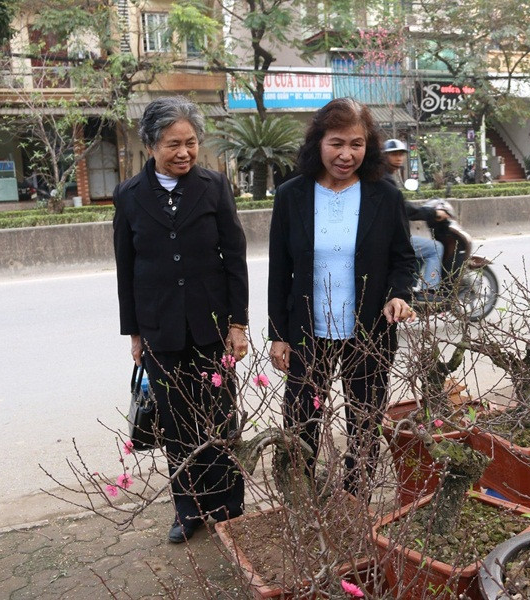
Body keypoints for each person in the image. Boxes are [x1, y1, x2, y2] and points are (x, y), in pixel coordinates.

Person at [113, 96, 248, 543]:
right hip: (159, 328)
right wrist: (134, 333)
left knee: (220, 417)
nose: (184, 152)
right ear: (152, 144)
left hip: (211, 325)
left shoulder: (213, 187)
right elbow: (126, 268)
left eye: (191, 143)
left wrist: (238, 323)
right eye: (174, 144)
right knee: (175, 424)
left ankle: (228, 504)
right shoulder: (130, 196)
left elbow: (234, 257)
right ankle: (187, 510)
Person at [267, 99, 417, 498]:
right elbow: (279, 270)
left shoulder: (383, 196)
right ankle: (301, 495)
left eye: (357, 144)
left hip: (368, 330)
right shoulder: (291, 195)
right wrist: (278, 333)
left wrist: (399, 295)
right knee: (300, 419)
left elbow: (403, 259)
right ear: (318, 142)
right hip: (306, 330)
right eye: (336, 143)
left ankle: (355, 497)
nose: (346, 154)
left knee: (364, 421)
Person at [382, 138, 448, 298]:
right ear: (384, 156)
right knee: (435, 248)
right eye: (393, 154)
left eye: (401, 154)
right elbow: (403, 207)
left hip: (387, 235)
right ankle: (429, 290)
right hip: (389, 238)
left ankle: (411, 287)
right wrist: (431, 213)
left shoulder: (385, 176)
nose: (398, 158)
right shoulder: (385, 179)